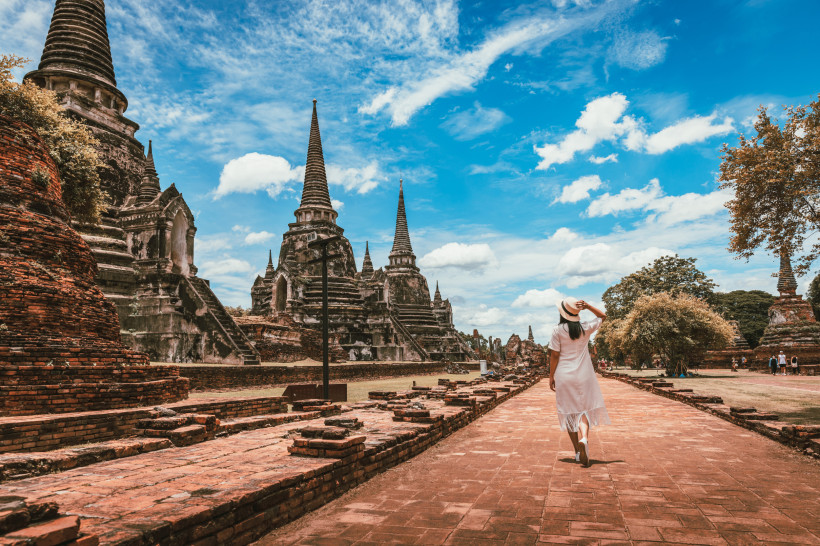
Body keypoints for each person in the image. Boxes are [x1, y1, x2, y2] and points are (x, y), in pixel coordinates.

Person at [549, 297, 610, 467]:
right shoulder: (585, 327)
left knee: (569, 412)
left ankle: (577, 451)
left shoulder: (557, 330)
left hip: (564, 374)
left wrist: (551, 376)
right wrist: (588, 306)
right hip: (584, 374)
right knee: (583, 410)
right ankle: (584, 438)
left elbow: (554, 355)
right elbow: (603, 316)